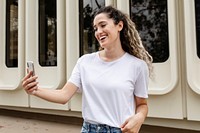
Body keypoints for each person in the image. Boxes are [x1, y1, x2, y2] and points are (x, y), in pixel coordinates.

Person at [22, 6, 153, 133]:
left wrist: (139, 118)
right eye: (95, 28)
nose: (98, 32)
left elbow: (142, 105)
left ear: (119, 25)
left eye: (103, 25)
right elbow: (64, 96)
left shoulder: (137, 66)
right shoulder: (85, 62)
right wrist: (35, 90)